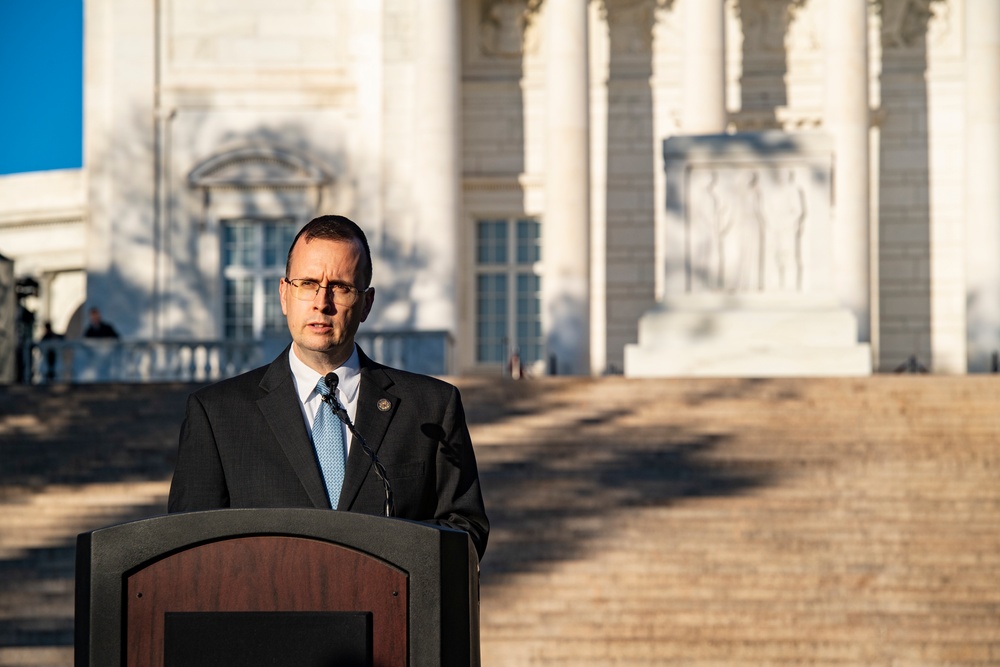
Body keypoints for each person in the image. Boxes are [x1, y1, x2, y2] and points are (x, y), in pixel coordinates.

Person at [167, 215, 489, 560]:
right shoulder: (217, 414)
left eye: (341, 287)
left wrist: (389, 551)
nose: (322, 302)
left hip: (390, 609)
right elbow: (189, 550)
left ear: (366, 303)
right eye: (307, 283)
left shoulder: (430, 408)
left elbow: (465, 531)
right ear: (284, 294)